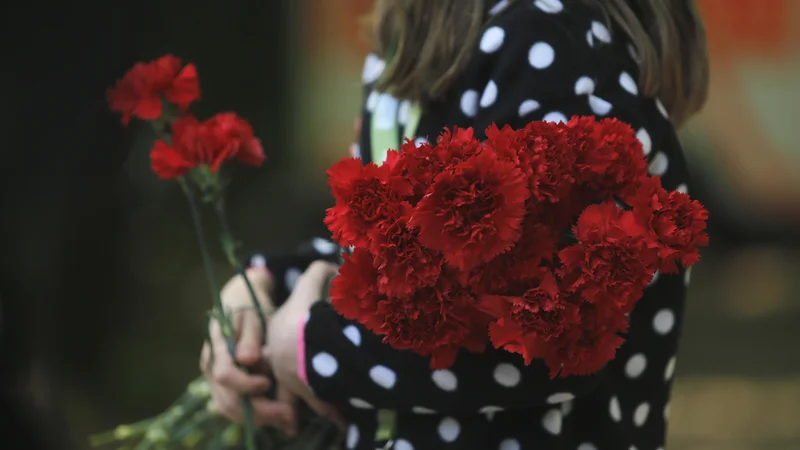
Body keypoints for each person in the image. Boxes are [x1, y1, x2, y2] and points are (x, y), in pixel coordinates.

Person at [201, 0, 709, 448]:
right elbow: (406, 264)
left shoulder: (547, 39)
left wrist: (317, 348)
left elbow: (545, 336)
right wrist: (261, 291)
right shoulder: (420, 43)